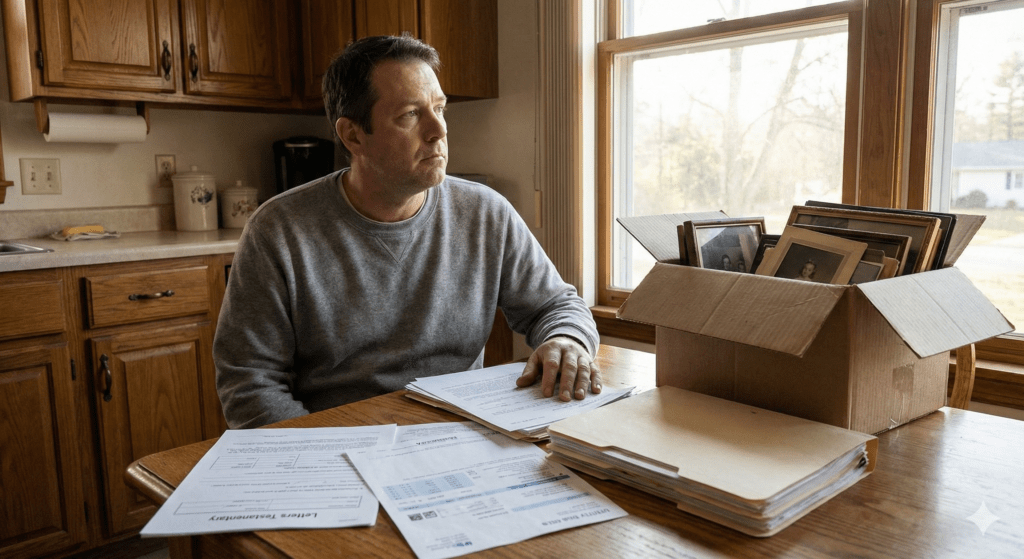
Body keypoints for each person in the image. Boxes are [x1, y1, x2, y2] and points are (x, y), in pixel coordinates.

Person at [213, 35, 601, 429]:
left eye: (439, 108)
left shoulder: (486, 212)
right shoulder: (277, 231)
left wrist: (566, 340)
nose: (438, 130)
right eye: (410, 115)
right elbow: (249, 384)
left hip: (458, 437)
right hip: (338, 447)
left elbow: (556, 306)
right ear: (352, 136)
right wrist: (329, 457)